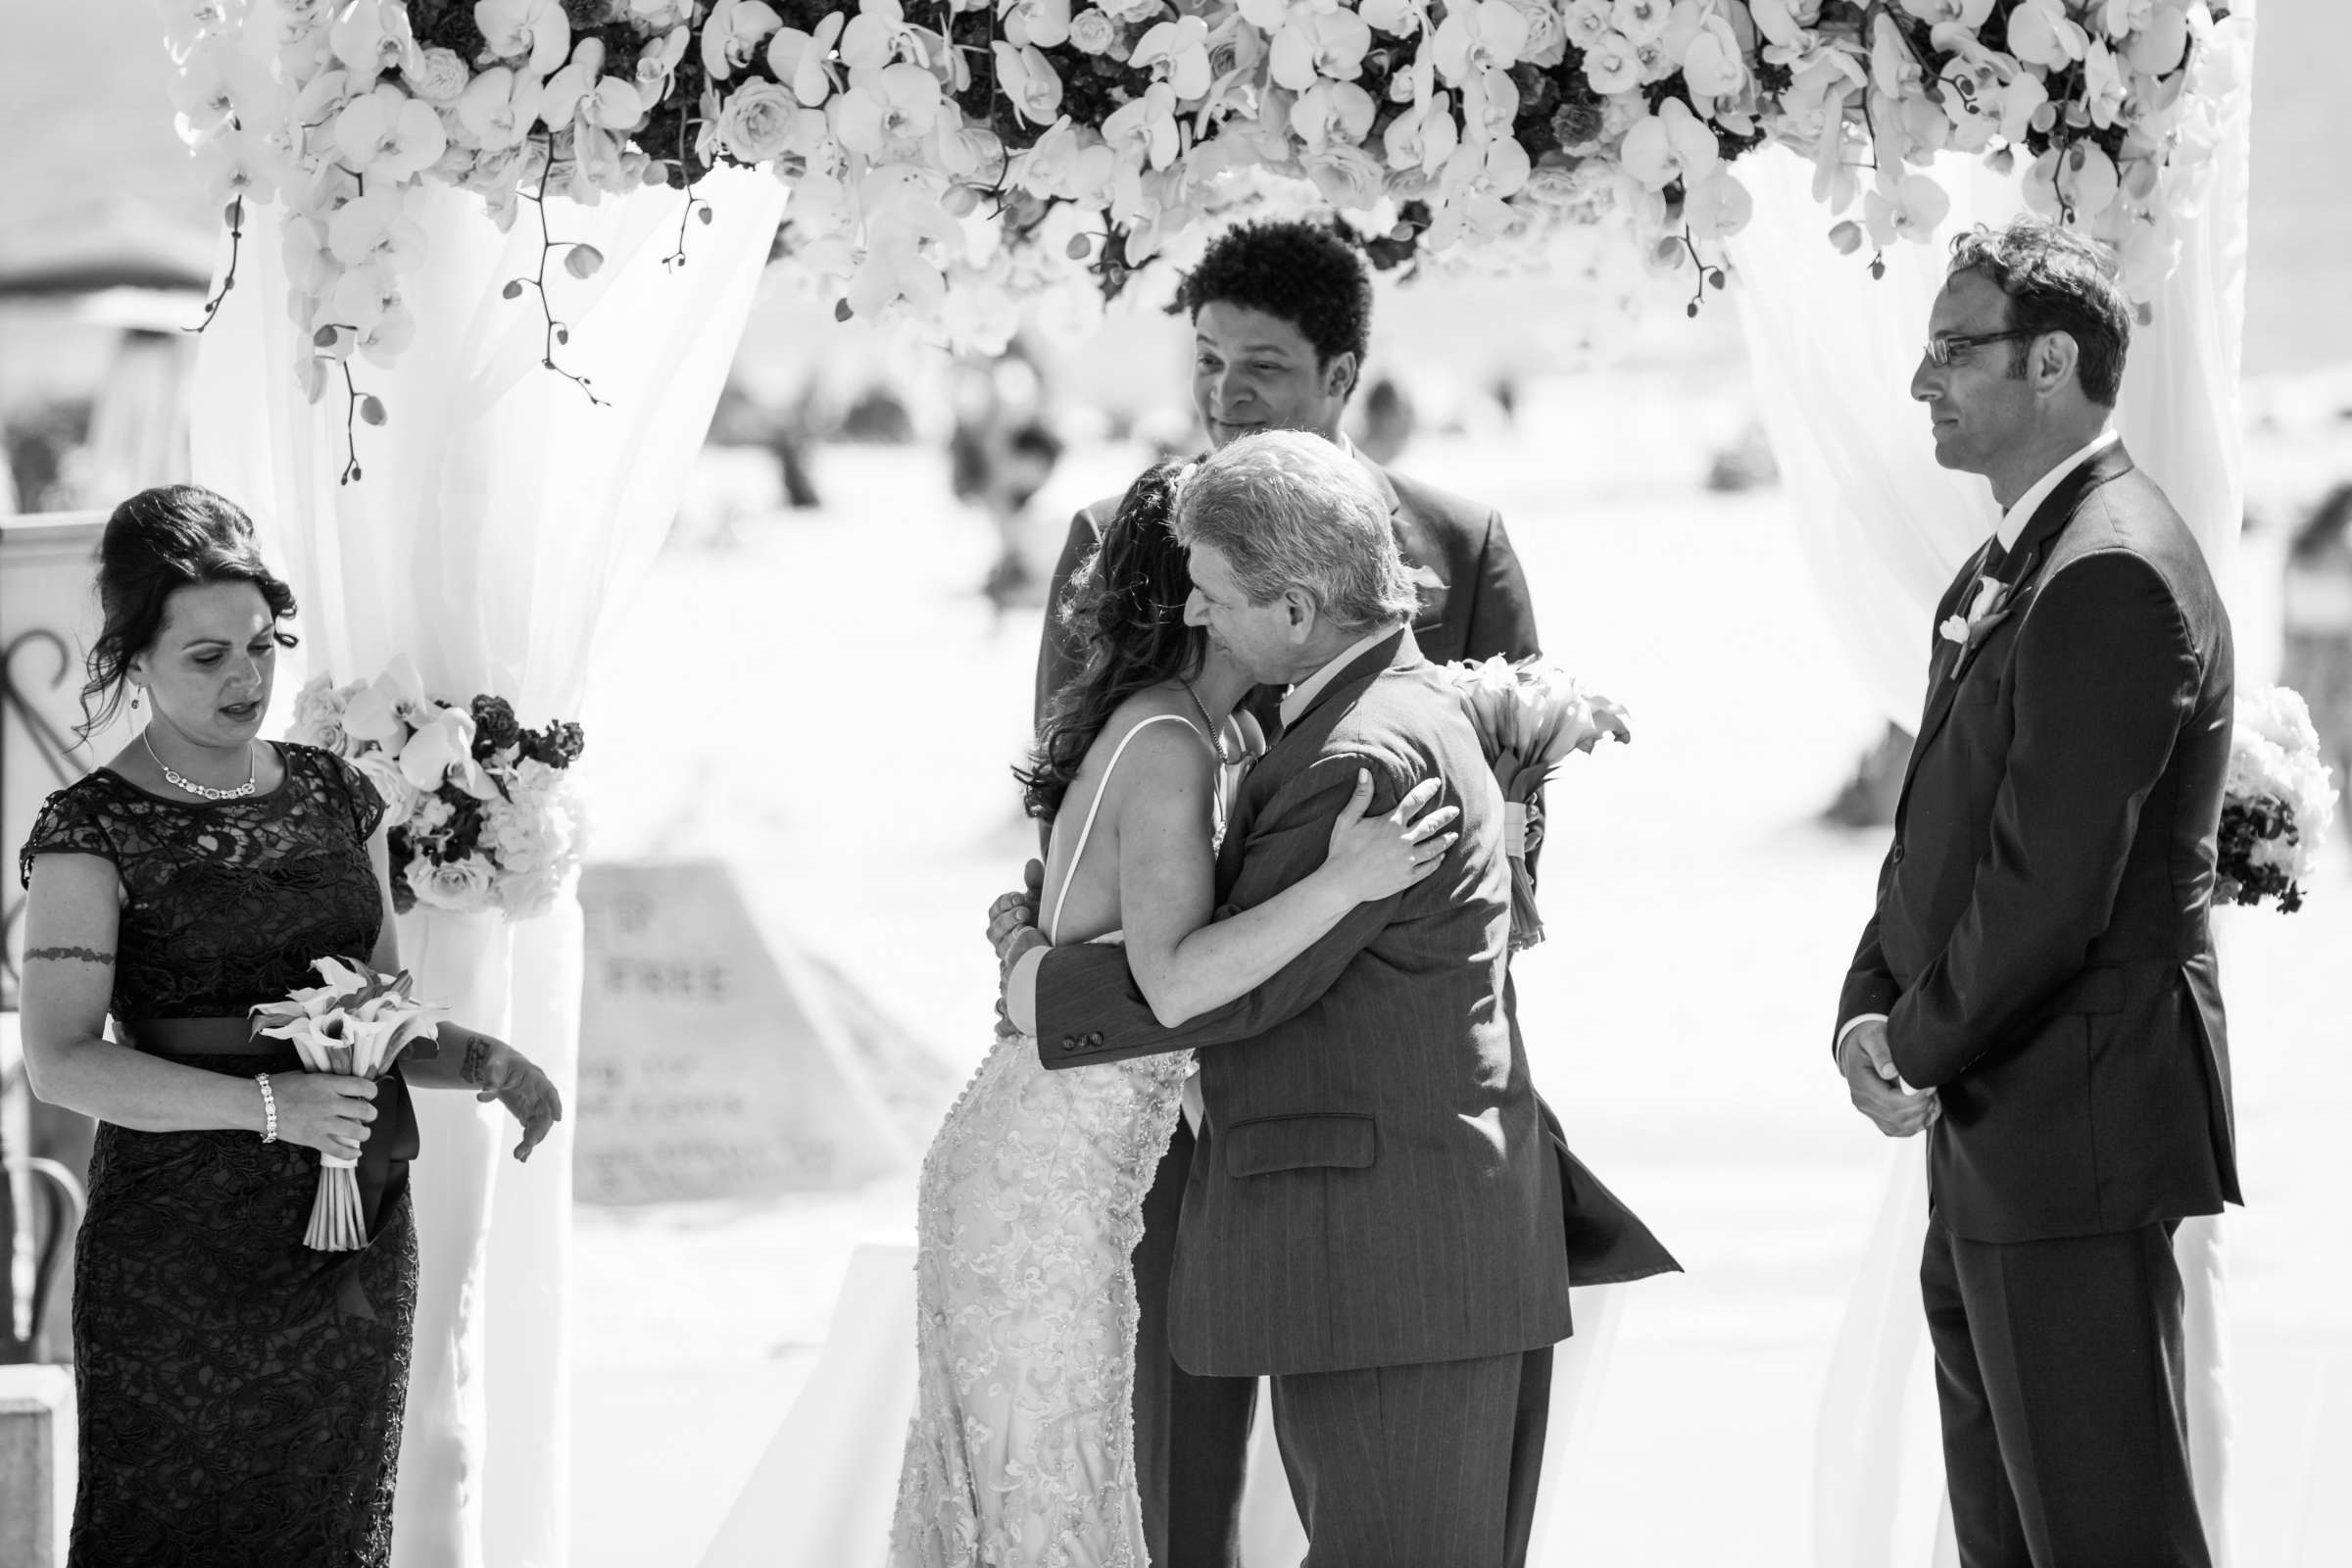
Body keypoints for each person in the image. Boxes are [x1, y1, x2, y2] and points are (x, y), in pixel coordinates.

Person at [1028, 218, 1558, 1568]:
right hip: (1162, 1086)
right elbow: (1075, 810)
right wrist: (1049, 962)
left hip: (1349, 1079)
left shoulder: (1455, 541)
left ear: (1343, 373)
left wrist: (1041, 997)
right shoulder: (1127, 536)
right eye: (1204, 360)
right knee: (1168, 1476)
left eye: (1259, 365)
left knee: (1388, 1497)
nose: (1223, 395)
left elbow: (1505, 828)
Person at [888, 460, 1460, 1564]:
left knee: (1048, 1491)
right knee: (1046, 1497)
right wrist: (1343, 882)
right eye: (1203, 582)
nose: (1212, 601)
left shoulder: (1195, 736)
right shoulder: (1170, 749)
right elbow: (1180, 983)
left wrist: (1026, 967)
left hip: (1053, 1165)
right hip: (1047, 1190)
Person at [16, 484, 563, 1568]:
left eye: (261, 646)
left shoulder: (336, 795)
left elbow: (379, 1009)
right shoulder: (90, 831)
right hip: (178, 1252)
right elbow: (59, 1060)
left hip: (351, 1239)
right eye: (206, 655)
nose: (245, 678)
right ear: (134, 655)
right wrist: (271, 1105)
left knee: (326, 1530)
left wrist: (487, 1060)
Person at [1833, 219, 2236, 1568]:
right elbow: (1942, 829)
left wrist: (1919, 1045)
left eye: (1954, 350)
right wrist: (1864, 1007)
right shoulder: (2014, 557)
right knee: (2008, 1530)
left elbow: (2050, 884)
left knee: (2104, 1529)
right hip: (2007, 1124)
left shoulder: (2110, 566)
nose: (1921, 383)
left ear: (2051, 360)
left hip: (2076, 1121)